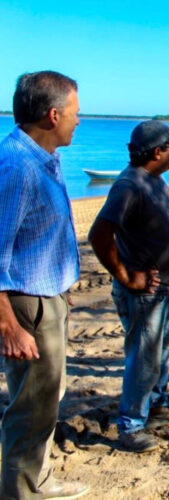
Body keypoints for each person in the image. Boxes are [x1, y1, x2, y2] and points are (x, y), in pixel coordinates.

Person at [0, 71, 88, 499]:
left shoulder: (43, 158)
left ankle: (40, 480)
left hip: (47, 297)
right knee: (30, 408)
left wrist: (62, 285)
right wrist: (9, 326)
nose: (80, 120)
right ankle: (20, 492)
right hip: (25, 307)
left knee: (48, 398)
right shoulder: (16, 166)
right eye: (75, 112)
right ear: (53, 115)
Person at [88, 120, 169, 453]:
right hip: (145, 293)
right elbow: (99, 235)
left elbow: (168, 226)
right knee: (143, 360)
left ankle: (156, 405)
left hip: (168, 287)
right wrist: (126, 276)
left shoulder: (157, 182)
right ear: (158, 151)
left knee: (166, 353)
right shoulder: (129, 185)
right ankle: (131, 426)